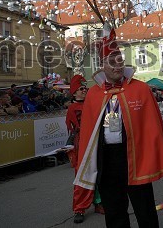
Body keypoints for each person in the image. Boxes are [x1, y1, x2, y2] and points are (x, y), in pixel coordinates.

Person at [74, 27, 163, 228]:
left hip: (135, 156)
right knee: (115, 211)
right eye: (111, 62)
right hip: (107, 159)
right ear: (103, 65)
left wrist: (154, 156)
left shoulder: (140, 89)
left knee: (145, 209)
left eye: (119, 61)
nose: (117, 66)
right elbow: (88, 134)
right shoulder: (93, 93)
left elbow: (152, 127)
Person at [66, 75, 104, 223]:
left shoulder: (91, 103)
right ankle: (79, 208)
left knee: (98, 172)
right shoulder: (73, 108)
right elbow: (75, 128)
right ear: (74, 93)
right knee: (82, 175)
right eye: (81, 89)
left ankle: (98, 202)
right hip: (82, 143)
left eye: (85, 88)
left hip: (95, 141)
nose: (84, 91)